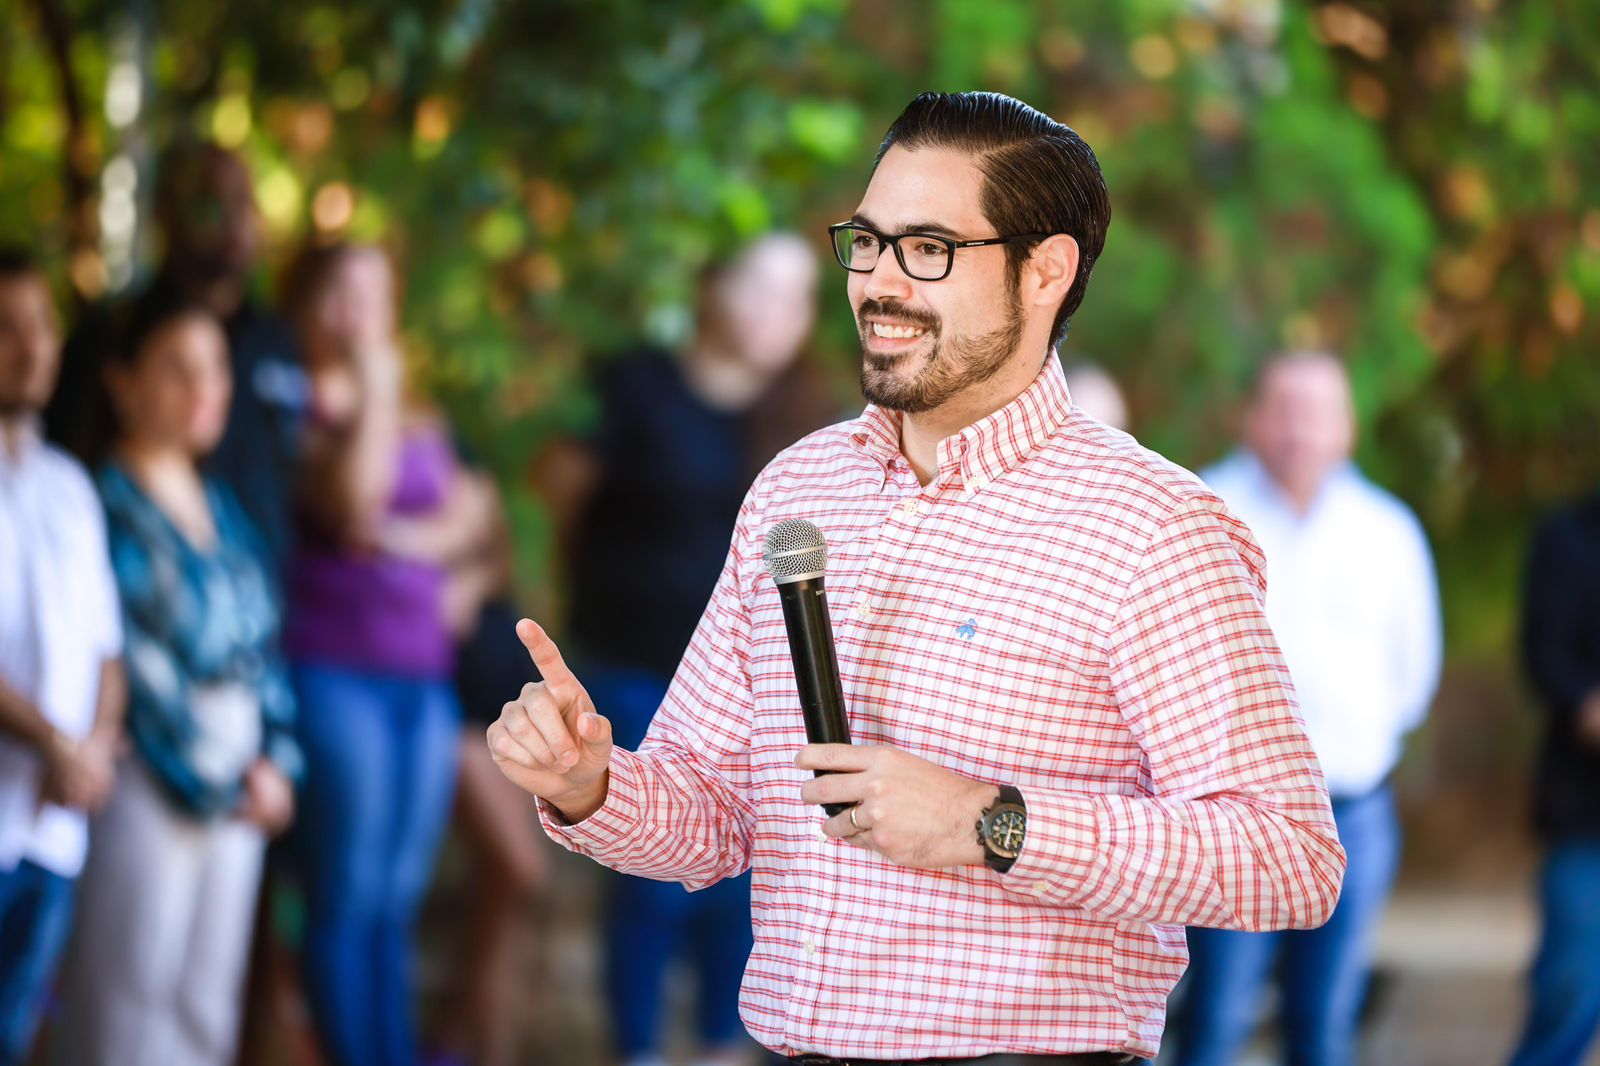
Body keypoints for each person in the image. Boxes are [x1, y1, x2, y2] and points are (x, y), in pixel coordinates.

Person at [489, 91, 1346, 1064]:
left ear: (1045, 271)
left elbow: (1289, 859)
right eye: (867, 240)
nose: (878, 283)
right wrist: (591, 784)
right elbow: (717, 812)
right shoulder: (795, 488)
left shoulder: (1152, 526)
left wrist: (992, 824)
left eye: (928, 248)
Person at [535, 231, 831, 1066]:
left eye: (797, 297)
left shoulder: (813, 417)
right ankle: (635, 1048)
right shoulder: (634, 385)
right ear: (712, 286)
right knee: (649, 879)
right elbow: (561, 497)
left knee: (740, 886)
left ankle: (719, 1048)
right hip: (632, 673)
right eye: (760, 289)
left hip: (757, 693)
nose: (778, 314)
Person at [1172, 352, 1442, 1066]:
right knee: (1215, 1021)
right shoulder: (1201, 514)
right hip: (1233, 817)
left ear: (1347, 427)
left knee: (1324, 1028)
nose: (1300, 431)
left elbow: (1414, 676)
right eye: (1284, 410)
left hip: (1353, 815)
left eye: (1318, 412)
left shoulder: (1389, 533)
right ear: (1252, 418)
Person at [55, 294, 300, 1066]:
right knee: (127, 998)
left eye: (217, 368)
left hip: (240, 784)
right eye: (179, 369)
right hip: (153, 782)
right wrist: (217, 781)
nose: (206, 388)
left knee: (205, 1004)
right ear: (121, 381)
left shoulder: (223, 506)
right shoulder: (102, 503)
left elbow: (264, 648)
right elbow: (131, 664)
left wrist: (277, 765)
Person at [280, 241, 493, 1066]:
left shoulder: (420, 414)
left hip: (422, 677)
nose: (361, 308)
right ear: (310, 302)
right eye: (342, 289)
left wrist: (399, 539)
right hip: (336, 671)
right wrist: (372, 388)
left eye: (376, 290)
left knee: (399, 898)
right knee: (347, 890)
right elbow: (352, 496)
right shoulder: (294, 402)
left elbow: (470, 522)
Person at [45, 140, 306, 578]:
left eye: (244, 201)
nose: (232, 220)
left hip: (259, 598)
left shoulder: (276, 341)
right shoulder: (111, 336)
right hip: (133, 577)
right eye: (208, 202)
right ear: (163, 212)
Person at [0, 249, 125, 1066]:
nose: (32, 345)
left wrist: (93, 751)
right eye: (7, 329)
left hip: (56, 823)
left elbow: (108, 651)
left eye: (41, 325)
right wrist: (54, 740)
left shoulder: (70, 486)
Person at [1505, 489, 1600, 1065]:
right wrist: (1586, 706)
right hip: (1586, 813)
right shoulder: (1567, 535)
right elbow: (1545, 656)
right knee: (1569, 994)